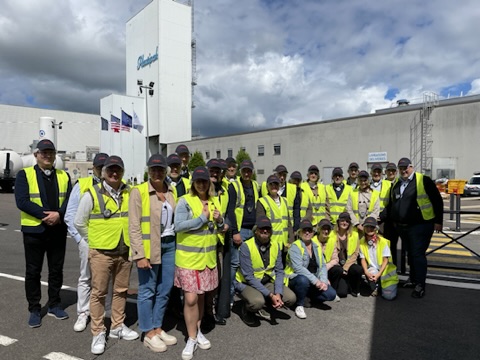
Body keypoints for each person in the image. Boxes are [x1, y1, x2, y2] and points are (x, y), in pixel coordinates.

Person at [74, 155, 139, 355]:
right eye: (110, 170)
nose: (114, 173)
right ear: (103, 172)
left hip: (124, 251)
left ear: (122, 172)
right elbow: (79, 222)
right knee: (99, 293)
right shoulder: (91, 194)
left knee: (121, 291)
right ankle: (98, 332)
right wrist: (93, 241)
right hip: (101, 252)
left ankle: (117, 326)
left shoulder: (130, 192)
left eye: (118, 170)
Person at [14, 139, 72, 328]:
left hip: (57, 230)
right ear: (36, 155)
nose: (47, 155)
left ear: (55, 155)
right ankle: (34, 309)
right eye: (43, 152)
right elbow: (22, 201)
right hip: (34, 231)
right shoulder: (24, 175)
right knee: (33, 271)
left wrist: (59, 215)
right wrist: (45, 216)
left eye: (50, 152)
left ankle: (55, 304)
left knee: (56, 270)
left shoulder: (64, 176)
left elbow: (70, 201)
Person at [174, 167, 226, 360]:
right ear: (193, 183)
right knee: (191, 299)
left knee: (202, 297)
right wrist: (201, 219)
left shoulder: (214, 201)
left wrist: (220, 221)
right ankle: (191, 338)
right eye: (198, 181)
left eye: (205, 181)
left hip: (207, 259)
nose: (202, 184)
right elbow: (178, 226)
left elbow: (218, 229)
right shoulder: (184, 201)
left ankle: (197, 331)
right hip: (188, 260)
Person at [129, 154, 177, 353]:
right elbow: (133, 226)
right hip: (149, 249)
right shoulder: (138, 192)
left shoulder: (172, 191)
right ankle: (148, 332)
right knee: (147, 290)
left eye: (160, 169)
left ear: (165, 171)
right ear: (148, 171)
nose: (157, 172)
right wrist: (139, 254)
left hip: (170, 245)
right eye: (153, 169)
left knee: (165, 290)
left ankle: (158, 327)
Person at [64, 152, 111, 332]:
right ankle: (83, 313)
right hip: (87, 240)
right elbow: (70, 215)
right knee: (86, 277)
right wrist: (80, 239)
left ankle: (102, 312)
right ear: (94, 168)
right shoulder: (82, 185)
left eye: (104, 167)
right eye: (99, 167)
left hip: (108, 241)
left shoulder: (115, 186)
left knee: (105, 278)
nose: (102, 170)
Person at [384, 157, 443, 298]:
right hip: (403, 227)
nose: (403, 170)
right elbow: (392, 204)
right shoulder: (397, 183)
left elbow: (437, 200)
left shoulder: (423, 180)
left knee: (417, 255)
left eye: (406, 167)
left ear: (411, 167)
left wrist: (439, 221)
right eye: (401, 168)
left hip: (421, 225)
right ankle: (413, 279)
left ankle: (420, 285)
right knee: (411, 254)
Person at [234, 216, 296, 326]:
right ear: (256, 230)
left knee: (290, 298)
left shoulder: (276, 245)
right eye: (262, 228)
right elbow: (248, 277)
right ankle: (246, 309)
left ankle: (268, 301)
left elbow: (279, 271)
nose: (265, 231)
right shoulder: (246, 246)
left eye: (267, 228)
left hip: (266, 281)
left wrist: (278, 293)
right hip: (247, 283)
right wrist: (270, 295)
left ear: (271, 231)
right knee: (257, 302)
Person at [286, 219, 336, 319]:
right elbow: (298, 268)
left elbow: (322, 266)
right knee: (303, 280)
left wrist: (323, 281)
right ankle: (299, 305)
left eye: (309, 230)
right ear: (299, 233)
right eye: (304, 230)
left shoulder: (316, 246)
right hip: (296, 278)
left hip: (314, 279)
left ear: (313, 232)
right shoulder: (295, 246)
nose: (307, 232)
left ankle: (306, 296)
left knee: (331, 294)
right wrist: (316, 281)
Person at [226, 159, 259, 305]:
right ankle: (230, 296)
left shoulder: (256, 185)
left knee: (248, 265)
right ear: (241, 171)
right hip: (240, 230)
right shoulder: (234, 186)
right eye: (244, 170)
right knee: (234, 263)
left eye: (249, 170)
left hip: (253, 231)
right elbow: (230, 210)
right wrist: (235, 232)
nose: (247, 173)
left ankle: (249, 292)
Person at [359, 217, 398, 300]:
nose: (369, 229)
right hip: (373, 269)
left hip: (386, 271)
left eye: (372, 227)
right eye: (367, 227)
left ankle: (382, 284)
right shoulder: (362, 241)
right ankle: (376, 285)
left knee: (389, 297)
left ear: (376, 229)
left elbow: (385, 260)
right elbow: (362, 259)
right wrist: (366, 272)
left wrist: (378, 275)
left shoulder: (383, 242)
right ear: (364, 228)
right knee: (370, 273)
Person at [328, 212, 362, 297]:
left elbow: (355, 253)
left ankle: (354, 289)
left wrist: (345, 268)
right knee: (342, 293)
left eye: (347, 221)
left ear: (349, 223)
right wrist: (340, 268)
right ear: (338, 222)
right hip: (337, 265)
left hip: (349, 264)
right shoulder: (331, 234)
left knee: (358, 269)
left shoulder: (355, 235)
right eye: (342, 220)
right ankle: (334, 287)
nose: (344, 223)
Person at [257, 174, 294, 252]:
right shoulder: (262, 201)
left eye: (276, 184)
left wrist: (291, 241)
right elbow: (260, 225)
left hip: (284, 245)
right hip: (270, 244)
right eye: (271, 184)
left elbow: (289, 224)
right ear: (267, 187)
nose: (274, 186)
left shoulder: (285, 201)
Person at [313, 218, 340, 302]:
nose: (326, 231)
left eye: (328, 229)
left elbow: (335, 259)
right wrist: (322, 272)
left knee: (338, 269)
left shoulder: (332, 241)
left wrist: (325, 268)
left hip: (327, 267)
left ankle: (332, 290)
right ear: (319, 229)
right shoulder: (312, 241)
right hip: (315, 270)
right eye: (323, 229)